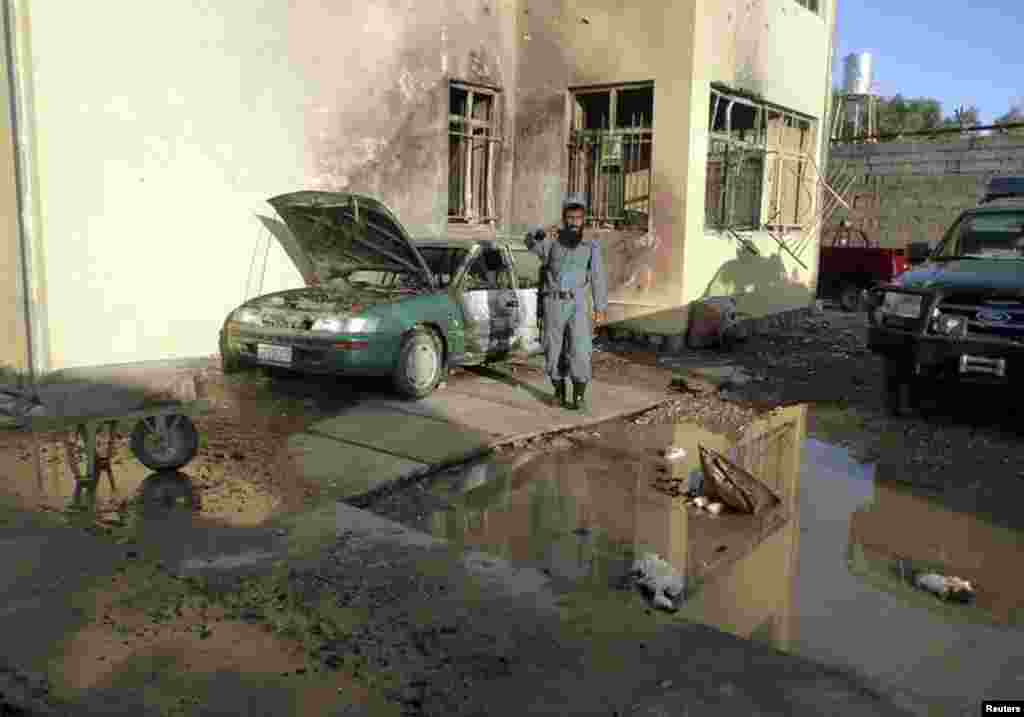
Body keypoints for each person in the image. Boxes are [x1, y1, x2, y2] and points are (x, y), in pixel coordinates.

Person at [524, 193, 609, 410]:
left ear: (583, 219)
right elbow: (529, 240)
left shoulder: (591, 247)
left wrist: (600, 308)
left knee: (580, 350)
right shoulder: (551, 243)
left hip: (579, 304)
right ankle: (558, 392)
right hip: (553, 303)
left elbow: (598, 278)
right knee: (553, 349)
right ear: (564, 218)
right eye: (570, 218)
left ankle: (579, 396)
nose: (574, 222)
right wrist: (543, 230)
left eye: (578, 218)